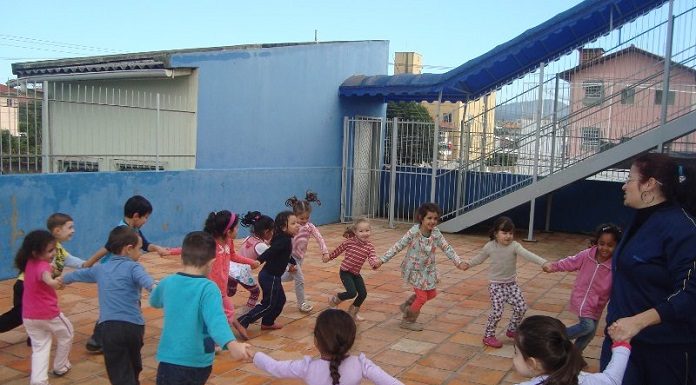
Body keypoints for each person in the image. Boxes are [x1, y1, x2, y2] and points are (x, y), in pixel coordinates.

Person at [600, 153, 696, 384]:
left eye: (630, 179)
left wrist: (638, 322)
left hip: (663, 350)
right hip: (622, 342)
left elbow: (690, 293)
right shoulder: (639, 219)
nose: (624, 186)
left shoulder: (683, 230)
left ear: (650, 184)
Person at [150, 231, 252, 385]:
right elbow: (217, 321)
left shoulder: (168, 282)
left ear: (182, 257)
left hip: (168, 360)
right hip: (197, 362)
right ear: (212, 262)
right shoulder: (209, 288)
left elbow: (155, 302)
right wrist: (232, 345)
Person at [61, 226, 155, 385]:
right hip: (134, 328)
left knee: (117, 369)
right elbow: (150, 285)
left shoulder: (101, 269)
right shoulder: (134, 267)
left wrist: (62, 280)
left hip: (110, 328)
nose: (141, 252)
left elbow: (78, 274)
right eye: (140, 249)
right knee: (134, 365)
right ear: (128, 249)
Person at [82, 195, 170, 353]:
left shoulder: (134, 229)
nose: (146, 221)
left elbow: (146, 245)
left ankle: (99, 339)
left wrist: (157, 248)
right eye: (145, 217)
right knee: (125, 303)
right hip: (113, 271)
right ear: (136, 216)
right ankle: (100, 339)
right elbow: (106, 248)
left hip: (123, 270)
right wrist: (89, 263)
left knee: (117, 303)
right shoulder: (123, 231)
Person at [373, 202, 465, 331]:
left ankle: (408, 305)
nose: (432, 221)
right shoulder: (414, 232)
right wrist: (382, 260)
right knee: (422, 297)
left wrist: (458, 262)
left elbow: (447, 248)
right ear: (421, 218)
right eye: (429, 218)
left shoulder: (436, 233)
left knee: (431, 294)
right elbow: (398, 246)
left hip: (428, 270)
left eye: (435, 218)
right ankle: (408, 321)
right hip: (414, 270)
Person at [460, 216, 548, 348]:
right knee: (497, 311)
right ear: (496, 233)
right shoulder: (490, 246)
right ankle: (488, 336)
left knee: (521, 307)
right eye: (504, 233)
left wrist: (543, 262)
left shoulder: (515, 246)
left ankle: (512, 330)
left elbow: (528, 254)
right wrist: (468, 264)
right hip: (496, 286)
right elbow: (479, 258)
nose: (508, 236)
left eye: (510, 233)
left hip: (511, 285)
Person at [253, 309, 404, 385]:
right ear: (351, 340)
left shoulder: (307, 367)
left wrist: (254, 354)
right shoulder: (361, 364)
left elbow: (275, 367)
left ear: (316, 341)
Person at [0, 213, 85, 342]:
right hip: (26, 286)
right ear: (57, 230)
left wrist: (89, 264)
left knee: (36, 313)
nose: (73, 231)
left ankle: (34, 337)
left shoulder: (58, 249)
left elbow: (71, 260)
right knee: (18, 316)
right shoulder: (44, 247)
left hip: (36, 288)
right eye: (70, 227)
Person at [542, 223, 621, 352]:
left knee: (589, 335)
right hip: (582, 299)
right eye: (601, 243)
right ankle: (555, 338)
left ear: (617, 245)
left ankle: (573, 357)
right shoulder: (587, 255)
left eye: (610, 245)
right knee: (587, 327)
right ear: (596, 242)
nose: (605, 248)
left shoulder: (615, 265)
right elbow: (570, 262)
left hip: (598, 304)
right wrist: (554, 266)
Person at [16, 230, 73, 385]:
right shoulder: (42, 266)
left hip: (29, 316)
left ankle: (38, 381)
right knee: (67, 334)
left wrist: (51, 271)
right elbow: (47, 279)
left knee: (40, 347)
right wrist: (57, 283)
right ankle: (60, 366)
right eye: (50, 251)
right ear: (35, 252)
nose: (54, 253)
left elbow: (41, 275)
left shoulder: (29, 263)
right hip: (49, 314)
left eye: (54, 249)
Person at [513, 315, 630, 385]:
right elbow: (612, 379)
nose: (514, 358)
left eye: (516, 353)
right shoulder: (586, 380)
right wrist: (622, 343)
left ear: (532, 363)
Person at [237, 211, 299, 333]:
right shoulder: (284, 240)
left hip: (271, 277)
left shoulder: (282, 238)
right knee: (268, 304)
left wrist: (292, 261)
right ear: (283, 227)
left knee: (280, 300)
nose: (297, 225)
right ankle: (243, 321)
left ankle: (267, 322)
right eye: (293, 223)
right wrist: (259, 261)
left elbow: (283, 253)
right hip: (270, 277)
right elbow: (271, 252)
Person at [203, 210, 258, 340]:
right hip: (211, 288)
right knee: (224, 312)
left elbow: (233, 255)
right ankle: (216, 338)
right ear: (228, 231)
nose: (238, 229)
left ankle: (215, 337)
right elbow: (188, 249)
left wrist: (251, 262)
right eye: (237, 227)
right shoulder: (210, 244)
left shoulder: (228, 241)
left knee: (224, 312)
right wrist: (168, 252)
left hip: (222, 287)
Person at [324, 218, 379, 321]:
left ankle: (352, 312)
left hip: (355, 273)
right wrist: (329, 257)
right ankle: (333, 300)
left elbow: (372, 257)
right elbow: (338, 250)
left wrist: (375, 264)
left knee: (363, 294)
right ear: (355, 232)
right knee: (352, 293)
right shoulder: (349, 242)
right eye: (361, 231)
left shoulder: (370, 246)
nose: (365, 233)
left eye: (367, 230)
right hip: (345, 272)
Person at [283, 191, 329, 313]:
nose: (304, 220)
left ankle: (272, 277)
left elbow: (319, 238)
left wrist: (325, 252)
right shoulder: (291, 226)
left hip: (299, 257)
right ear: (294, 215)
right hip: (289, 257)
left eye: (307, 217)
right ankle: (302, 303)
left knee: (289, 277)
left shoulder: (310, 227)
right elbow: (280, 239)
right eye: (301, 218)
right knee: (300, 279)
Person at [228, 211, 269, 312]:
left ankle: (219, 301)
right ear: (266, 232)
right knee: (255, 292)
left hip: (232, 269)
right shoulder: (261, 246)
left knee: (230, 292)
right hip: (242, 272)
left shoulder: (248, 238)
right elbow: (271, 254)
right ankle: (246, 313)